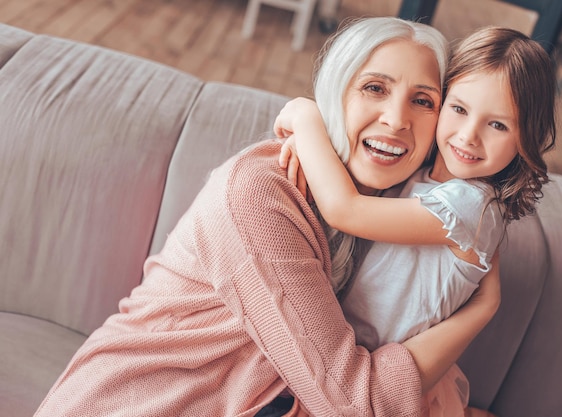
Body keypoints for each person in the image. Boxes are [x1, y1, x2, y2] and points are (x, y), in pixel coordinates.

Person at [35, 17, 501, 417]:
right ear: (335, 94)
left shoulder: (405, 200)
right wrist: (481, 312)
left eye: (424, 101)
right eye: (374, 88)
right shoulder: (261, 194)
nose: (397, 119)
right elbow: (354, 402)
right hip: (149, 401)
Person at [275, 26, 557, 417]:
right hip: (343, 359)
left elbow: (346, 210)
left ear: (526, 137)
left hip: (380, 385)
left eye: (498, 125)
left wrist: (305, 118)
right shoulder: (419, 176)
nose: (469, 136)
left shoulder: (471, 206)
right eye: (458, 109)